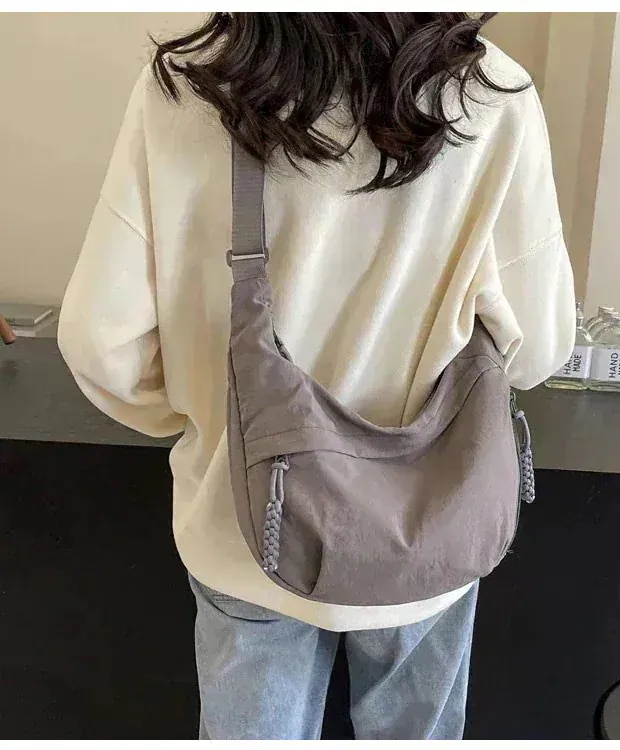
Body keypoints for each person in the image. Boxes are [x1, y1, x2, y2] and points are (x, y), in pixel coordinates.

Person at [58, 12, 575, 740]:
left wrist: (207, 418)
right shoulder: (491, 92)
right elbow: (541, 344)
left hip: (243, 524)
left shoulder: (191, 85)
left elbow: (101, 341)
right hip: (431, 530)